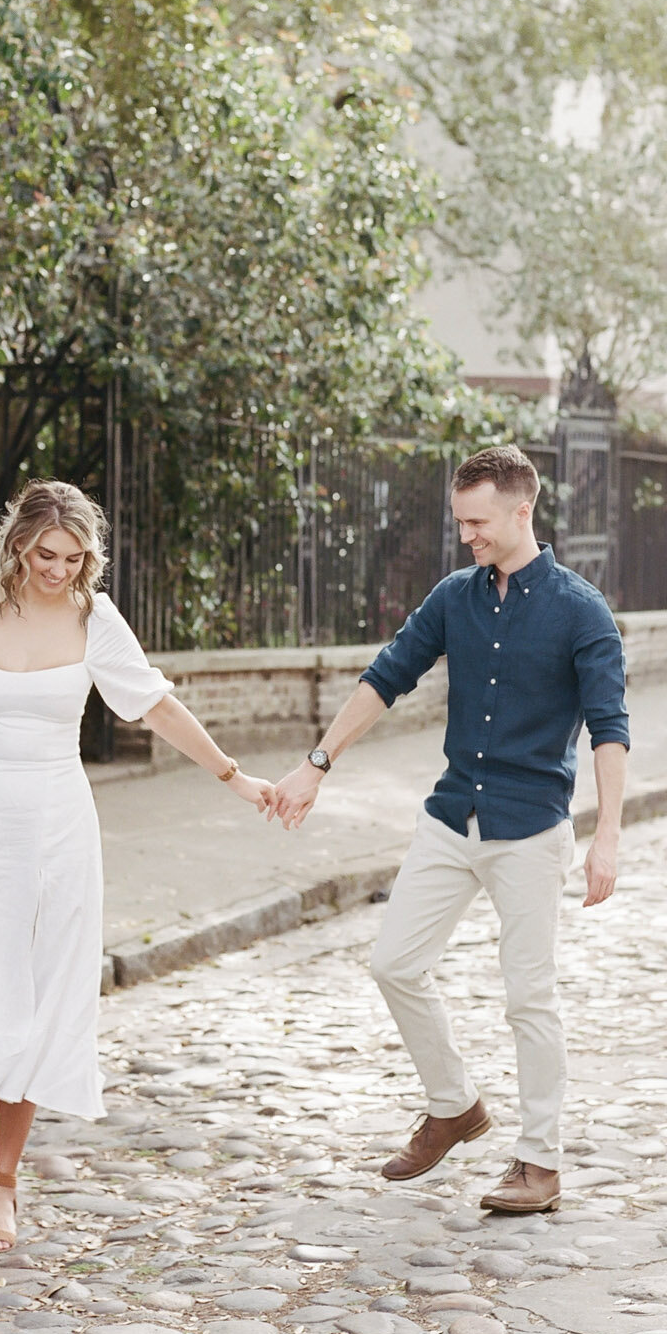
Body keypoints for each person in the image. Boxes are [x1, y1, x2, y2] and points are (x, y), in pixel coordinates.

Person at [0, 479, 276, 1251]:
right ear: (17, 545)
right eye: (44, 553)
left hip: (59, 829)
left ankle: (3, 1183)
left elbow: (157, 706)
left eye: (73, 556)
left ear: (87, 557)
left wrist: (235, 776)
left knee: (35, 1000)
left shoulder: (97, 623)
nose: (58, 568)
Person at [271, 444, 628, 1215]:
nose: (467, 535)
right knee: (394, 963)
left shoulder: (581, 609)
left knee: (529, 997)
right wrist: (317, 763)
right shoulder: (455, 596)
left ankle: (539, 1163)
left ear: (521, 510)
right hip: (451, 816)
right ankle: (454, 1104)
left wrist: (608, 836)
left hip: (531, 830)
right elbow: (386, 676)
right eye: (460, 521)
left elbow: (609, 728)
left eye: (478, 521)